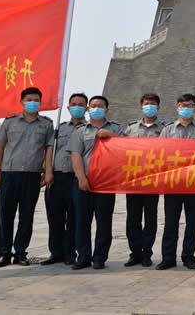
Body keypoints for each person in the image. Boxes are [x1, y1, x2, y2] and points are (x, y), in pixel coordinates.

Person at [0, 87, 55, 268]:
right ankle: (3, 253)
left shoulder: (46, 124)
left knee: (26, 216)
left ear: (40, 103)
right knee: (6, 215)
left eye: (36, 100)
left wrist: (48, 171)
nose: (32, 103)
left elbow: (49, 149)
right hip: (9, 174)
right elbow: (0, 147)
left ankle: (20, 253)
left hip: (32, 176)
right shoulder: (9, 122)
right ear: (21, 102)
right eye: (29, 99)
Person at [67, 95, 123, 270]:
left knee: (104, 222)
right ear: (88, 110)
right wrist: (81, 178)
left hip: (106, 183)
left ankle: (99, 257)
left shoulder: (116, 128)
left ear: (107, 110)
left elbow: (126, 148)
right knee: (81, 222)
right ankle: (83, 257)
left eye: (100, 106)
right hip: (84, 182)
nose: (96, 108)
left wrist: (111, 136)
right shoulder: (80, 131)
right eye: (93, 106)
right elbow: (75, 155)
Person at [156, 93, 195, 270]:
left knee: (192, 222)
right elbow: (159, 154)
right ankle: (168, 257)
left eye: (190, 105)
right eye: (183, 105)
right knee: (171, 222)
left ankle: (188, 256)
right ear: (177, 107)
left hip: (194, 182)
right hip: (173, 183)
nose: (186, 108)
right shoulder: (168, 130)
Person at [42, 92, 87, 266]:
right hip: (57, 176)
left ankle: (70, 253)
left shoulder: (89, 129)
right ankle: (56, 252)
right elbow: (49, 150)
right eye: (74, 104)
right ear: (68, 107)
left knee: (74, 218)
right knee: (55, 217)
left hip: (76, 178)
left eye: (81, 104)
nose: (77, 107)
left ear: (86, 108)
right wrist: (48, 172)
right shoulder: (59, 128)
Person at [123, 93, 165, 268]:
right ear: (141, 106)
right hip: (133, 180)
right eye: (147, 103)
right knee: (132, 218)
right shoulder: (131, 129)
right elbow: (122, 151)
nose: (150, 106)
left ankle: (147, 253)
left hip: (152, 180)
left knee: (150, 218)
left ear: (158, 107)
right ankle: (135, 253)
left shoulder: (164, 129)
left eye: (153, 104)